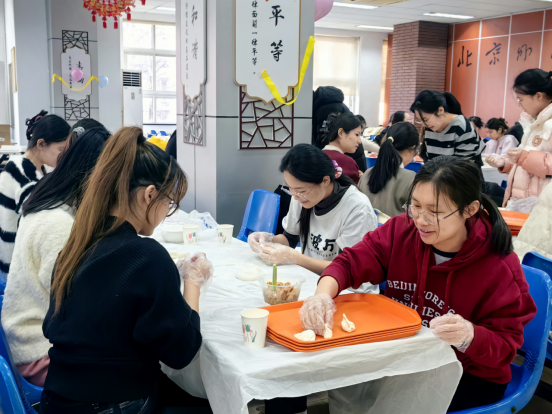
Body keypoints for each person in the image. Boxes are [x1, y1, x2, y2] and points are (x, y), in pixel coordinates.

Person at [301, 156, 536, 412]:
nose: (421, 220)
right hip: (407, 355)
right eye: (415, 206)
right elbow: (350, 262)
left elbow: (505, 347)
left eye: (434, 212)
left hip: (468, 372)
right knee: (344, 380)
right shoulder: (401, 230)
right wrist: (323, 295)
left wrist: (470, 336)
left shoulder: (499, 266)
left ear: (469, 209)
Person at [41, 127, 213, 413]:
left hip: (58, 399)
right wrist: (192, 283)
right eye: (169, 203)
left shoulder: (75, 247)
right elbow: (183, 351)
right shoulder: (147, 256)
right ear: (150, 195)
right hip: (112, 403)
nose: (166, 212)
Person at [1, 127, 111, 387]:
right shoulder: (58, 223)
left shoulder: (51, 200)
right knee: (132, 365)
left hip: (28, 337)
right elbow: (74, 307)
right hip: (36, 352)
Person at [248, 144, 377, 277]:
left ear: (325, 181)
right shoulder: (301, 197)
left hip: (346, 285)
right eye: (291, 189)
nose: (295, 197)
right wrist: (267, 240)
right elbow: (290, 238)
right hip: (311, 277)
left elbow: (347, 268)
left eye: (301, 191)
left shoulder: (357, 209)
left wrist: (294, 257)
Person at [0, 110, 70, 280]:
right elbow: (40, 211)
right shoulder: (21, 170)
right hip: (15, 265)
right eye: (61, 149)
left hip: (22, 259)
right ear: (41, 144)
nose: (63, 156)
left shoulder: (39, 168)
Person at [486, 69, 552, 213]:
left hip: (543, 206)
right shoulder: (532, 124)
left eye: (520, 99)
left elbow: (530, 160)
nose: (519, 104)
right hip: (523, 201)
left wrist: (524, 157)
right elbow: (527, 165)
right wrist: (506, 164)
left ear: (538, 96)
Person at [358, 122, 419, 217]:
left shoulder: (367, 173)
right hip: (395, 227)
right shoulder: (411, 178)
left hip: (366, 225)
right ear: (413, 148)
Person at [410, 91, 484, 166]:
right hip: (440, 171)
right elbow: (431, 160)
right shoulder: (430, 127)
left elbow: (463, 166)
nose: (423, 124)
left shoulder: (462, 126)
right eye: (420, 120)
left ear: (440, 110)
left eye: (425, 119)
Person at [318, 113, 364, 184]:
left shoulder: (317, 156)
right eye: (357, 134)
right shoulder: (348, 162)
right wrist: (362, 180)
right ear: (341, 133)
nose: (359, 141)